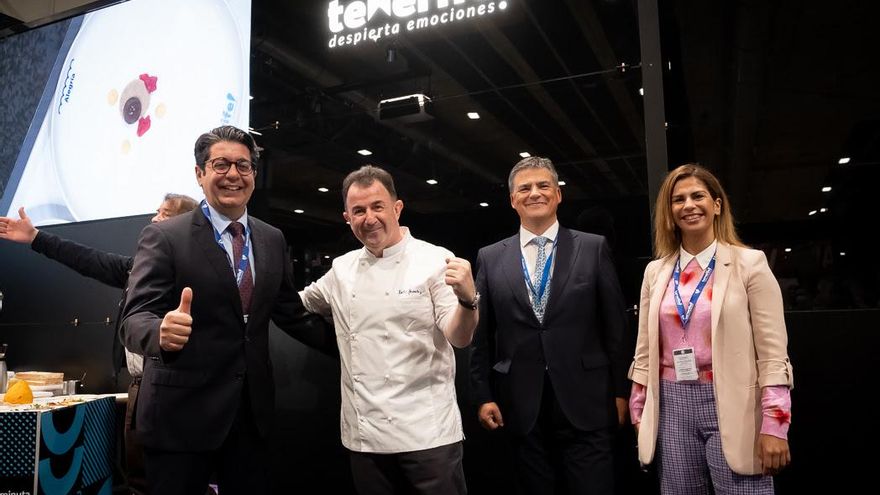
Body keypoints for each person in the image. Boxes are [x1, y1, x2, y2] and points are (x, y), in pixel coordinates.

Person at [120, 125, 328, 495]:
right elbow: (134, 318)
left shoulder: (271, 238)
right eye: (221, 165)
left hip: (250, 416)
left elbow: (290, 312)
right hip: (180, 415)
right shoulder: (165, 237)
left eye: (243, 166)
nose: (233, 174)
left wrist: (353, 345)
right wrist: (159, 334)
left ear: (253, 175)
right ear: (200, 174)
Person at [298, 165, 478, 495]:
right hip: (364, 436)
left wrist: (468, 301)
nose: (369, 218)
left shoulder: (435, 260)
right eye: (359, 211)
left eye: (377, 206)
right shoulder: (342, 269)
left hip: (427, 434)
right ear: (347, 218)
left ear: (396, 208)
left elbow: (459, 337)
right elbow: (301, 302)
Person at [0, 193, 197, 493]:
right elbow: (89, 260)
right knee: (138, 475)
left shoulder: (192, 274)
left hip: (172, 394)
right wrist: (36, 238)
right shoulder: (141, 269)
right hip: (140, 388)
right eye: (156, 212)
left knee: (167, 478)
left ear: (183, 226)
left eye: (164, 214)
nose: (154, 220)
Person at [628, 163, 793, 494]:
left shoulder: (750, 264)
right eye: (678, 199)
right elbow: (644, 351)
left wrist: (776, 424)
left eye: (697, 196)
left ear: (716, 205)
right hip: (672, 406)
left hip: (733, 403)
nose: (688, 205)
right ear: (670, 211)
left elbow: (773, 354)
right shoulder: (655, 272)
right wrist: (639, 412)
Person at [469, 156, 630, 495]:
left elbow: (614, 326)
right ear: (513, 200)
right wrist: (482, 394)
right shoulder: (490, 256)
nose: (534, 193)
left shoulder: (592, 248)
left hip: (587, 398)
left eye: (543, 186)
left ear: (558, 195)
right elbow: (481, 335)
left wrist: (621, 390)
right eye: (524, 188)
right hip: (519, 402)